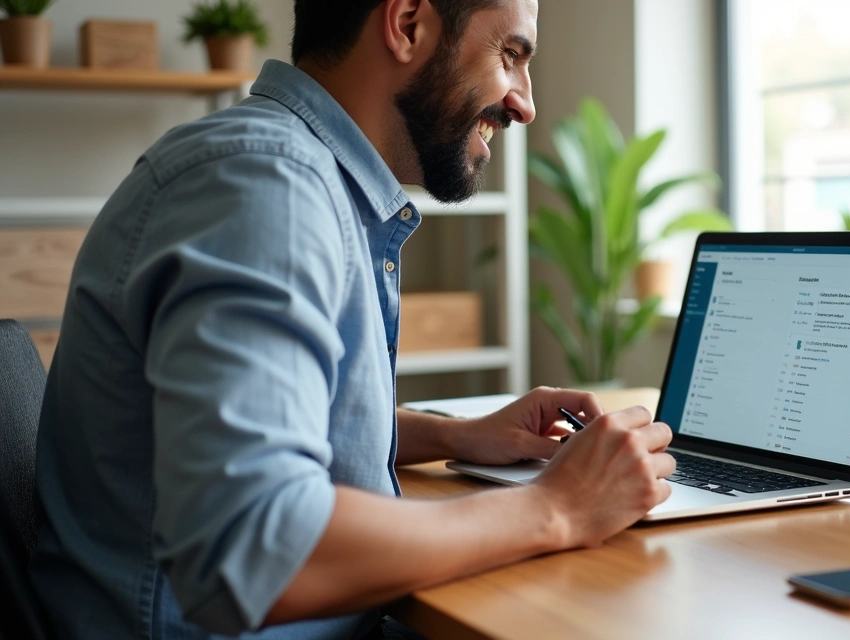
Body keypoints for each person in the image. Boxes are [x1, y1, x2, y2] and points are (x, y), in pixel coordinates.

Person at [30, 0, 674, 638]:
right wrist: (555, 507)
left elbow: (253, 416)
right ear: (408, 24)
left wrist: (457, 435)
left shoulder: (291, 176)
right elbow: (255, 547)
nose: (524, 102)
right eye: (510, 54)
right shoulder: (265, 188)